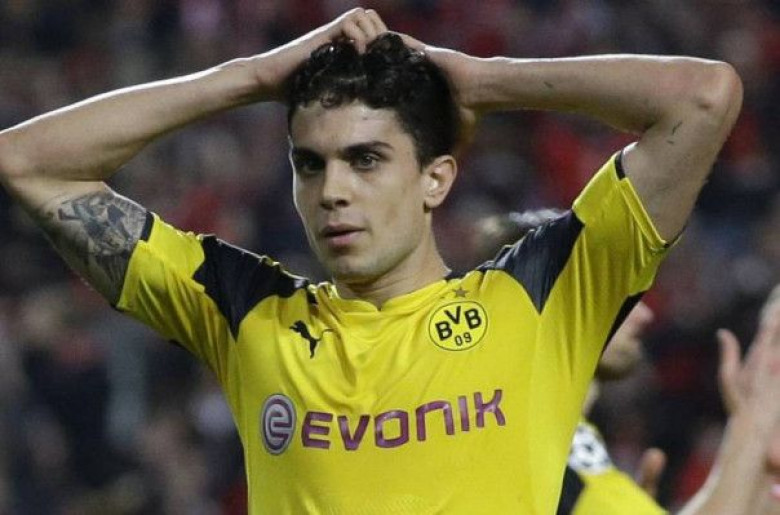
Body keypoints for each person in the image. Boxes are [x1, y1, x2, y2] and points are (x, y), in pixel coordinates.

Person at [0, 7, 742, 514]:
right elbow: (28, 161)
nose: (333, 191)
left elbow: (704, 97)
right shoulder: (244, 311)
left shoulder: (544, 296)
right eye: (310, 164)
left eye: (365, 159)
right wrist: (252, 77)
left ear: (436, 178)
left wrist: (483, 81)